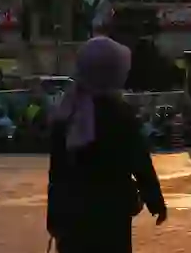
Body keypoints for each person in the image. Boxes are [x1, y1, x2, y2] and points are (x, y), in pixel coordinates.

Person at [46, 37, 166, 253]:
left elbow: (56, 173)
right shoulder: (120, 115)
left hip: (72, 217)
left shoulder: (66, 113)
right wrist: (154, 199)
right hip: (112, 215)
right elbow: (139, 161)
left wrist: (54, 217)